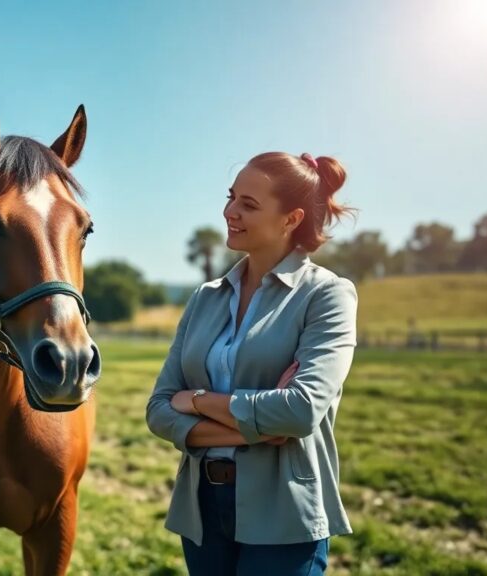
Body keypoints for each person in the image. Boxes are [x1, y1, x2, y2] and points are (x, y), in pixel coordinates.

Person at [146, 152, 357, 575]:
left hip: (283, 514)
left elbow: (299, 411)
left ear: (291, 219)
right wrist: (259, 427)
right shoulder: (204, 298)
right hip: (201, 509)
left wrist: (199, 400)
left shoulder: (327, 296)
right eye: (231, 197)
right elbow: (159, 410)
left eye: (248, 204)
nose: (230, 212)